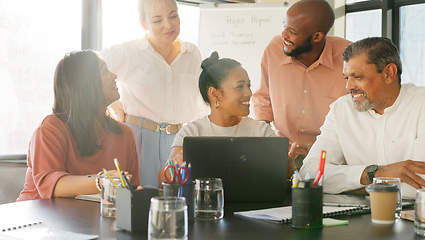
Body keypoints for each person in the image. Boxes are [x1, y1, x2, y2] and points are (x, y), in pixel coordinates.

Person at [299, 37, 425, 199]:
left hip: (415, 220)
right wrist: (373, 173)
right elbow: (310, 173)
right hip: (355, 219)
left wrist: (348, 186)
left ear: (389, 73)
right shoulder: (341, 109)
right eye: (346, 77)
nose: (349, 86)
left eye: (358, 77)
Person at [100, 0, 207, 188]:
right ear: (144, 24)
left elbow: (200, 105)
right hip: (138, 139)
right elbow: (89, 69)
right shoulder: (128, 52)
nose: (168, 25)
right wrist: (113, 104)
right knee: (139, 203)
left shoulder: (192, 53)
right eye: (157, 20)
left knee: (178, 203)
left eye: (173, 16)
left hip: (179, 141)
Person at [18, 50, 140, 201]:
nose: (114, 76)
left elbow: (130, 192)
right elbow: (52, 185)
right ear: (85, 83)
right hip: (38, 219)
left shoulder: (125, 134)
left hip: (90, 220)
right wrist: (101, 181)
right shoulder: (50, 128)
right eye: (104, 71)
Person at [158, 52, 289, 185]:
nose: (249, 93)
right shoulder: (191, 133)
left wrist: (287, 166)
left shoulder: (261, 131)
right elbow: (163, 179)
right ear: (215, 93)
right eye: (240, 86)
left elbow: (278, 177)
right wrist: (176, 165)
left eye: (248, 86)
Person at [252, 0, 351, 166]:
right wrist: (265, 141)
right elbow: (263, 97)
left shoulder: (348, 57)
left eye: (292, 31)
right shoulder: (274, 49)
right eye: (284, 26)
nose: (284, 35)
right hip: (287, 154)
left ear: (317, 36)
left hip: (332, 159)